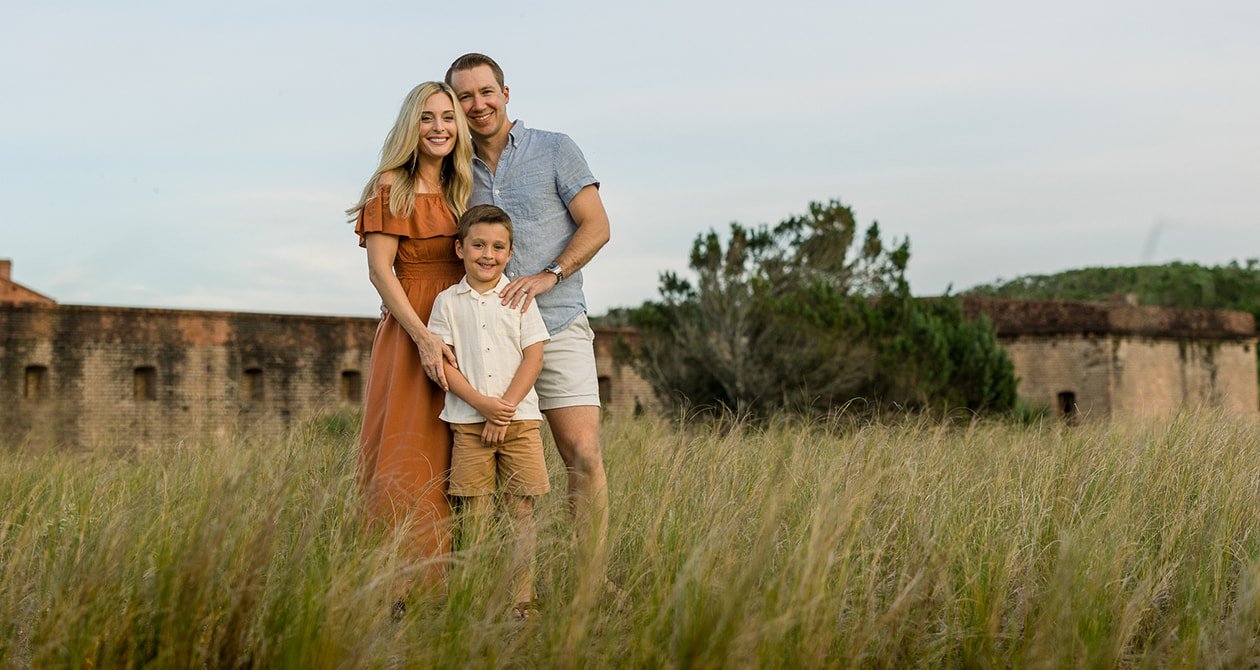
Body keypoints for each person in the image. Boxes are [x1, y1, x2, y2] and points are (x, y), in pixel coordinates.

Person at [445, 54, 613, 582]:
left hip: (557, 324)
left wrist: (551, 273)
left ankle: (592, 580)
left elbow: (598, 225)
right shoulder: (451, 167)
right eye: (465, 96)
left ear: (506, 93)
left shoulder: (556, 149)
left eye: (486, 92)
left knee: (582, 455)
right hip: (482, 341)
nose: (478, 104)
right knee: (477, 475)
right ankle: (495, 586)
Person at [347, 81, 473, 594]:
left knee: (458, 452)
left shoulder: (464, 191)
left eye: (448, 117)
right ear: (410, 126)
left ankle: (458, 581)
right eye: (427, 117)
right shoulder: (390, 187)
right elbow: (381, 272)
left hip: (462, 326)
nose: (439, 127)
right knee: (407, 448)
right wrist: (423, 338)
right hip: (411, 330)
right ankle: (399, 583)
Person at [428, 204, 551, 617]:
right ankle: (475, 598)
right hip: (467, 423)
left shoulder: (519, 298)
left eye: (498, 247)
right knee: (474, 513)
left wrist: (505, 409)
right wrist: (482, 406)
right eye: (478, 244)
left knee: (521, 510)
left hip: (520, 423)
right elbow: (443, 363)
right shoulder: (446, 302)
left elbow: (534, 356)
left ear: (510, 252)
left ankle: (521, 597)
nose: (488, 254)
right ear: (460, 248)